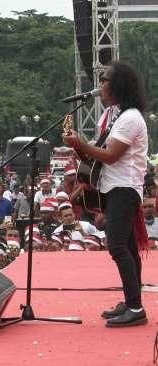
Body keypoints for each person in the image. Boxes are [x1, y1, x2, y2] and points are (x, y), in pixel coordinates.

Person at [63, 61, 149, 328]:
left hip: (124, 188)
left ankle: (135, 308)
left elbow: (111, 156)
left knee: (117, 246)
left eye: (106, 80)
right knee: (129, 248)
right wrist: (77, 147)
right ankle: (132, 301)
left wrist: (81, 143)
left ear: (119, 85)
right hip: (112, 187)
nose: (100, 86)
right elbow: (95, 157)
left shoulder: (131, 118)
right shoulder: (112, 115)